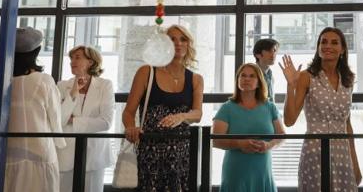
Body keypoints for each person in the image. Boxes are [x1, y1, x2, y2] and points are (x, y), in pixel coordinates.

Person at [0, 27, 66, 192]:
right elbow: (55, 119)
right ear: (36, 53)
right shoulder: (44, 80)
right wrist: (60, 142)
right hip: (37, 152)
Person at [123, 24, 204, 191]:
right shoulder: (146, 72)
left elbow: (197, 114)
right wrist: (131, 128)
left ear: (188, 44)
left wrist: (181, 116)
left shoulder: (196, 79)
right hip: (149, 150)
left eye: (183, 39)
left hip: (182, 153)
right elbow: (128, 112)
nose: (178, 43)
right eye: (172, 39)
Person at [280, 26, 361, 191]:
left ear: (342, 49)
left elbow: (347, 124)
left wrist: (355, 162)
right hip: (315, 151)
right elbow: (289, 120)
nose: (328, 46)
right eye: (323, 42)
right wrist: (290, 86)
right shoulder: (306, 76)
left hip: (342, 153)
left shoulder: (348, 80)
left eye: (334, 42)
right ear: (318, 48)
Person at [213, 63, 285, 191]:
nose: (246, 79)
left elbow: (282, 136)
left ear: (259, 82)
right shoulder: (227, 108)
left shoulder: (270, 107)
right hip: (235, 171)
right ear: (237, 80)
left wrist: (269, 145)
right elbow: (216, 141)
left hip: (262, 170)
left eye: (252, 76)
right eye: (243, 75)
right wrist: (239, 144)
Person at [57, 45, 114, 192]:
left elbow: (106, 122)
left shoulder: (105, 85)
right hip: (66, 155)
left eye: (77, 57)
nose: (72, 62)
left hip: (94, 155)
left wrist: (74, 121)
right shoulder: (63, 86)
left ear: (91, 61)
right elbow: (60, 119)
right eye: (71, 58)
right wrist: (74, 92)